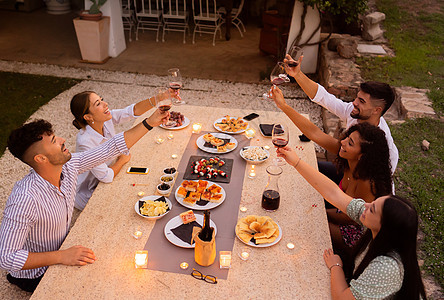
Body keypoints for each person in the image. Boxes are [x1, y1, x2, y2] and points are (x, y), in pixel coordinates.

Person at [0, 108, 168, 292]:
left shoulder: (69, 165)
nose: (63, 140)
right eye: (54, 141)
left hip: (63, 246)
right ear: (40, 158)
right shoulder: (24, 199)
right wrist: (62, 256)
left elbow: (108, 148)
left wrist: (149, 123)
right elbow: (7, 257)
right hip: (37, 273)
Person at [276, 146, 426, 300]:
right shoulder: (379, 228)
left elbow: (342, 298)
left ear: (385, 227)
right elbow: (334, 194)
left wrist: (336, 266)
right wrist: (296, 162)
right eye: (372, 203)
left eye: (372, 209)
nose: (365, 206)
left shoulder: (386, 267)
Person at [270, 86, 392, 259]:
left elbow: (351, 217)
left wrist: (321, 212)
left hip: (354, 232)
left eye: (350, 143)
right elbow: (314, 132)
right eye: (347, 138)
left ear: (362, 155)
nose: (342, 143)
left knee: (305, 224)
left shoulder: (367, 182)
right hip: (341, 211)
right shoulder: (350, 157)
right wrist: (283, 105)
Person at [283, 54, 398, 178]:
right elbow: (325, 98)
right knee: (296, 169)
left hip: (360, 184)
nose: (354, 103)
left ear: (377, 110)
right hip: (348, 170)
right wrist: (298, 74)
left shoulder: (380, 145)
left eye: (362, 101)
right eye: (357, 98)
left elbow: (370, 189)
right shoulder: (357, 112)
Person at [70, 89, 177, 210]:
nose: (105, 104)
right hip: (90, 190)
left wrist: (159, 98)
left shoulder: (105, 119)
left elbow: (132, 111)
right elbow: (106, 176)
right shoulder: (85, 142)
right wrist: (122, 160)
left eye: (101, 100)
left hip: (112, 170)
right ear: (88, 116)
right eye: (98, 104)